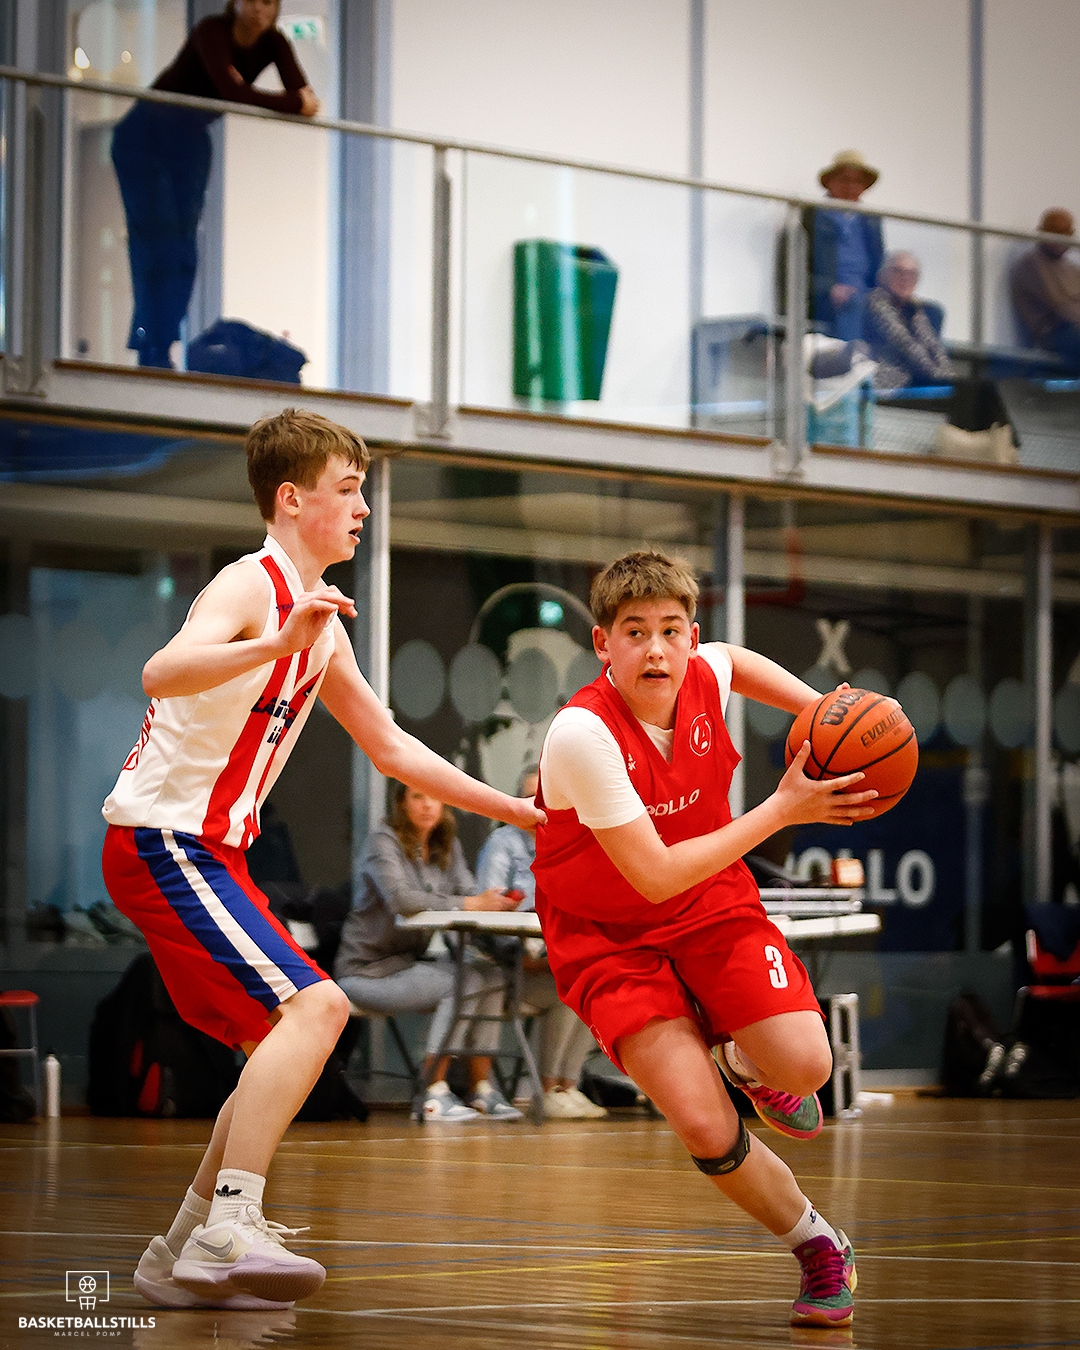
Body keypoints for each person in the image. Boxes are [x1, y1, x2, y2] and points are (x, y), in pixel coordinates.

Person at [100, 407, 541, 1313]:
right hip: (163, 841)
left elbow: (392, 747)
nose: (364, 508)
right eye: (348, 490)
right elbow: (161, 672)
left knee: (282, 1039)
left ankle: (179, 1252)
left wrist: (516, 809)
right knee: (322, 1005)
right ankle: (231, 1225)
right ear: (292, 499)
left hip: (209, 853)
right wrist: (275, 642)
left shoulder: (324, 626)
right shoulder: (248, 585)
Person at [532, 550, 878, 1329]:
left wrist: (827, 713)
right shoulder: (582, 733)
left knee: (809, 1066)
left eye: (671, 630)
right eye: (635, 632)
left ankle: (744, 1061)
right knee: (703, 1123)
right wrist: (782, 809)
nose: (656, 650)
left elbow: (735, 661)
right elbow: (653, 876)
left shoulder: (704, 672)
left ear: (690, 636)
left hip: (709, 901)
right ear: (603, 644)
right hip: (610, 936)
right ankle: (817, 1243)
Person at [111, 0, 320, 369]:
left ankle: (161, 342)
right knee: (157, 244)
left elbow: (308, 100)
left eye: (269, 3)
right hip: (145, 138)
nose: (260, 10)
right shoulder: (212, 32)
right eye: (252, 0)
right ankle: (150, 346)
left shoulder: (274, 43)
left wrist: (296, 101)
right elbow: (233, 93)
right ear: (235, 3)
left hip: (189, 141)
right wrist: (291, 102)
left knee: (184, 251)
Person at [334, 782, 525, 1122]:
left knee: (492, 976)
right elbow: (402, 900)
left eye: (435, 796)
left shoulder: (446, 844)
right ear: (401, 803)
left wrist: (496, 902)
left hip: (407, 964)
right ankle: (432, 1091)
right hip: (366, 971)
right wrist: (470, 903)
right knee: (464, 981)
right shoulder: (383, 841)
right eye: (417, 796)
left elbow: (469, 892)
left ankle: (482, 1088)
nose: (427, 805)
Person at [476, 766, 606, 1121]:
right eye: (530, 797)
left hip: (552, 957)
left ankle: (568, 1086)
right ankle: (547, 1090)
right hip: (507, 964)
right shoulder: (503, 842)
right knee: (567, 991)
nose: (538, 805)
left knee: (589, 989)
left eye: (545, 798)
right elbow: (489, 909)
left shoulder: (571, 843)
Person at [804, 150, 884, 340]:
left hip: (866, 296)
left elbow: (879, 267)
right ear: (830, 182)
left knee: (927, 312)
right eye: (844, 180)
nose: (850, 187)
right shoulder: (812, 216)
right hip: (826, 298)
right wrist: (829, 288)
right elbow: (796, 271)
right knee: (854, 304)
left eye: (857, 182)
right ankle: (851, 355)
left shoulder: (870, 221)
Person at [866, 251, 955, 390]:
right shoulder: (874, 304)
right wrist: (940, 378)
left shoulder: (921, 311)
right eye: (898, 271)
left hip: (919, 379)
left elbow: (936, 348)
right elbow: (906, 347)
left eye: (912, 273)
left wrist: (948, 375)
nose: (905, 278)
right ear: (882, 275)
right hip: (888, 383)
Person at [1009, 208, 1080, 372]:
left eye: (1065, 232)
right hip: (1053, 334)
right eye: (1054, 231)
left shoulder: (1072, 268)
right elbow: (1060, 309)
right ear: (1042, 232)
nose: (1060, 238)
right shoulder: (1031, 265)